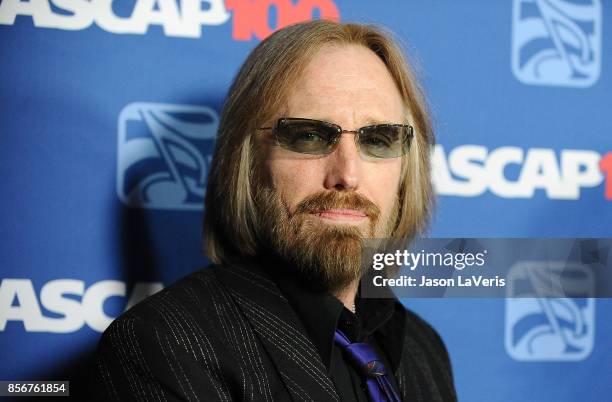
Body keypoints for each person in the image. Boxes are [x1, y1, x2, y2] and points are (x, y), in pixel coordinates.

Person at [95, 20, 457, 401]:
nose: (347, 175)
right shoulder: (164, 343)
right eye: (309, 135)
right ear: (248, 160)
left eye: (379, 139)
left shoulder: (422, 349)